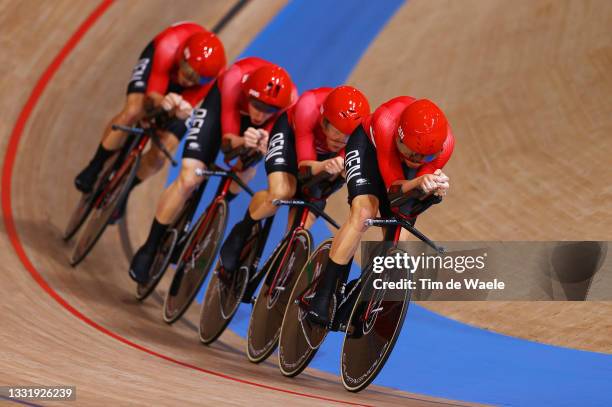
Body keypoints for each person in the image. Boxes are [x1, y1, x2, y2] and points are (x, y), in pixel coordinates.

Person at [129, 58, 297, 284]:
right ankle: (150, 247)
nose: (260, 114)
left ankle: (214, 213)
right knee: (189, 179)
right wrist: (241, 141)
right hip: (220, 111)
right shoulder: (233, 80)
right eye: (257, 105)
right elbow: (227, 143)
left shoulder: (288, 105)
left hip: (253, 134)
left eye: (269, 110)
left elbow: (269, 143)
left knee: (247, 169)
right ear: (248, 93)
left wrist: (262, 143)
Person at [306, 97, 455, 325]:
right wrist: (418, 183)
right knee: (364, 212)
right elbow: (393, 190)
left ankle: (361, 293)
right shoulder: (386, 122)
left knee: (398, 239)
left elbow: (404, 205)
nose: (417, 161)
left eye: (425, 157)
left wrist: (432, 190)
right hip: (369, 150)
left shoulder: (444, 146)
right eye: (413, 153)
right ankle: (323, 294)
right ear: (400, 136)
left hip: (400, 168)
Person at [74, 22, 226, 221]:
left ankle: (125, 190)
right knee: (134, 110)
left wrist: (178, 110)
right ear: (182, 58)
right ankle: (95, 165)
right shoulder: (168, 45)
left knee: (162, 151)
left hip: (183, 97)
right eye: (188, 73)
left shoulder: (213, 76)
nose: (189, 81)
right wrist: (160, 103)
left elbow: (189, 102)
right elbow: (152, 97)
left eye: (198, 79)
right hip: (159, 70)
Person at [218, 86, 370, 274]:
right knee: (281, 192)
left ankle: (278, 269)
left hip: (325, 159)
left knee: (302, 226)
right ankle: (241, 232)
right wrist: (324, 166)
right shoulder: (308, 106)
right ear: (324, 121)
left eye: (349, 136)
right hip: (290, 139)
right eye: (338, 132)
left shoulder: (358, 137)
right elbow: (305, 168)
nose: (342, 140)